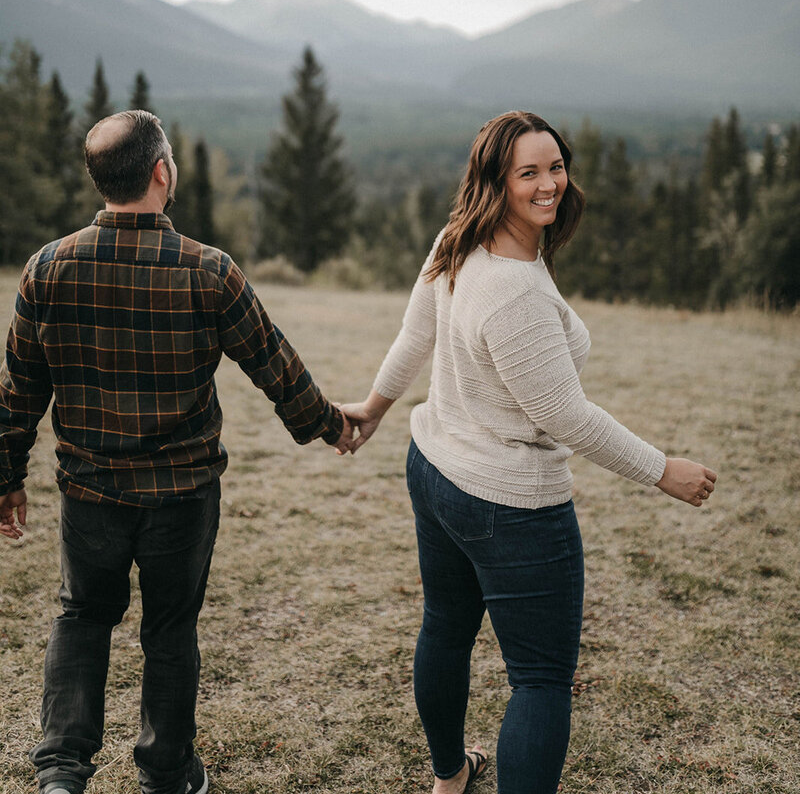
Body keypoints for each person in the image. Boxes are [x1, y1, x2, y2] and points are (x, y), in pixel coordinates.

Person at [341, 110, 717, 794]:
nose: (549, 185)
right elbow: (566, 415)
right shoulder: (511, 291)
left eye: (556, 166)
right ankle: (452, 775)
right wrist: (664, 471)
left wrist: (375, 409)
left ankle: (450, 778)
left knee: (446, 630)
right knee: (540, 680)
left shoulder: (460, 241)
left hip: (437, 472)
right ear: (496, 181)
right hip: (508, 504)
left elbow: (414, 336)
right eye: (529, 173)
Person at [0, 110, 352, 794]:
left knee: (82, 616)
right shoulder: (209, 271)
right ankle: (166, 775)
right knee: (169, 630)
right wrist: (332, 426)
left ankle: (61, 774)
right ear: (162, 172)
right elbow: (274, 365)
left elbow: (19, 388)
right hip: (182, 496)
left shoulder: (47, 268)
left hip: (89, 492)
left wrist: (6, 474)